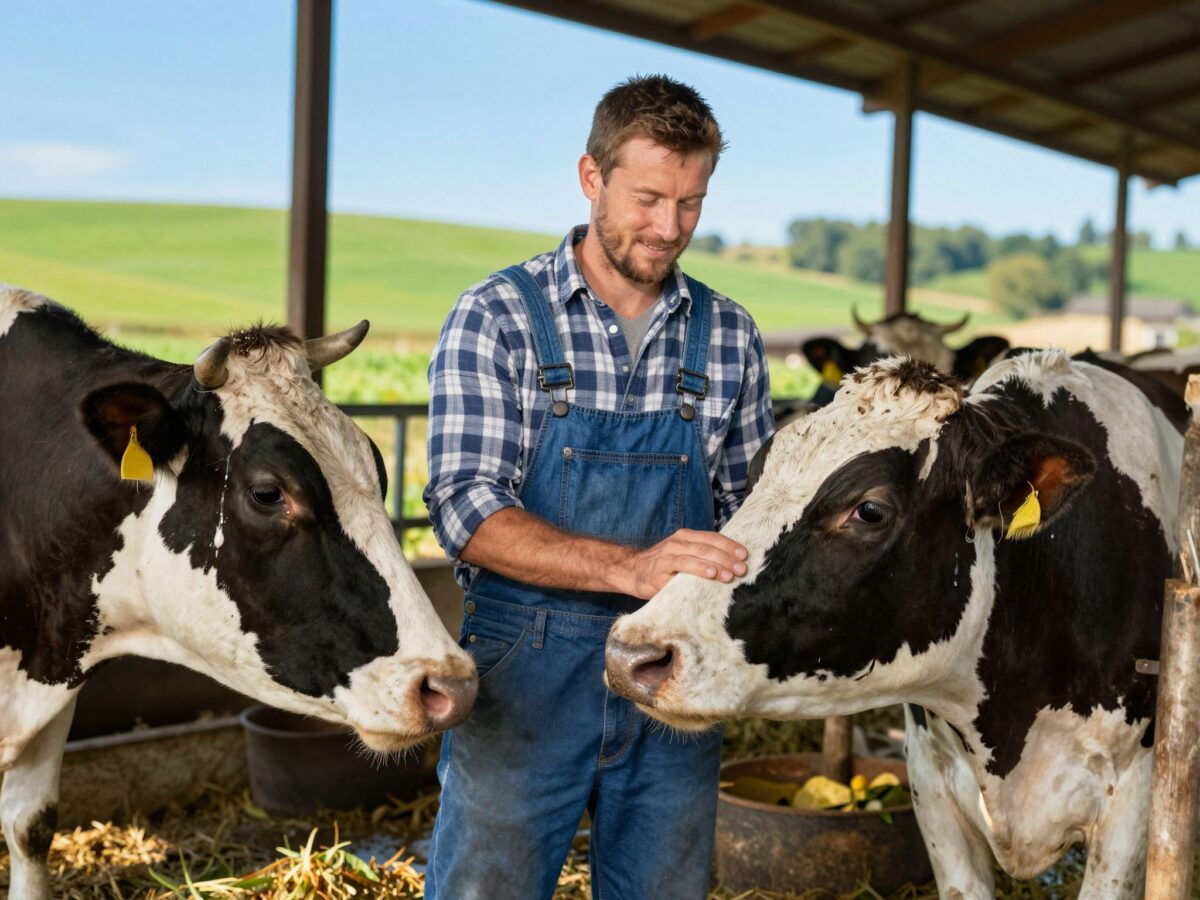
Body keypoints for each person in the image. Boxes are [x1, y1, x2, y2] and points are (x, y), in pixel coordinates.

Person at [423, 74, 774, 900]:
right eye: (649, 198)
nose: (669, 228)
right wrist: (633, 568)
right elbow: (466, 510)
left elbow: (751, 514)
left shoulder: (728, 333)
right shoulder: (499, 315)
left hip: (675, 671)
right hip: (526, 669)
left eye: (691, 203)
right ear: (591, 178)